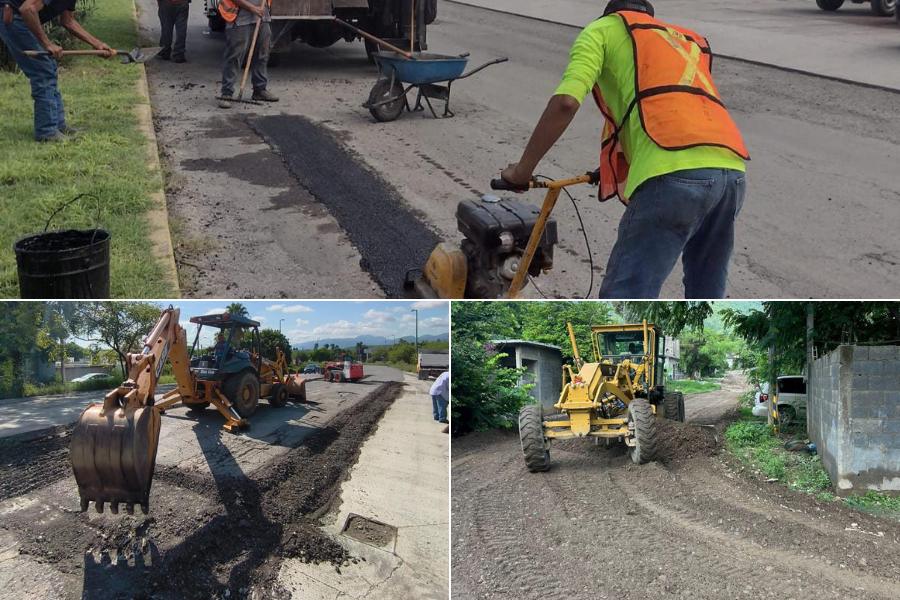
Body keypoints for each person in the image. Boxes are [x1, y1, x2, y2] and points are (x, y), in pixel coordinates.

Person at [499, 0, 748, 299]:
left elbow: (566, 102)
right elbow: (672, 110)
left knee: (626, 296)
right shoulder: (681, 37)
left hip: (673, 174)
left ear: (612, 13)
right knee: (707, 293)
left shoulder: (602, 30)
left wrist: (521, 171)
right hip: (732, 171)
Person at [0, 0, 114, 141]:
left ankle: (58, 125)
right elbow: (27, 9)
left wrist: (97, 44)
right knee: (43, 71)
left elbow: (68, 21)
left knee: (49, 67)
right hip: (14, 18)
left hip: (22, 18)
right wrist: (47, 44)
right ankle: (46, 132)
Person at [217, 0, 278, 108]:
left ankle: (259, 90)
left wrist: (259, 10)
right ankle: (227, 93)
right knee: (234, 56)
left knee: (262, 54)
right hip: (239, 17)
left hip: (262, 16)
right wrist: (252, 8)